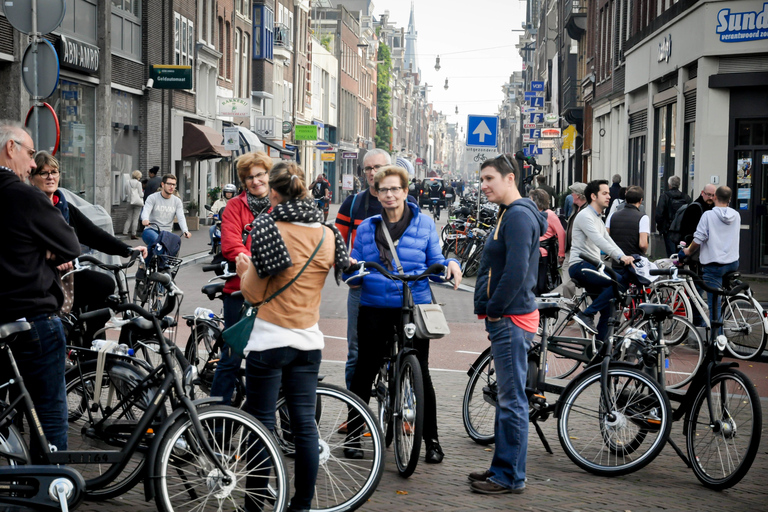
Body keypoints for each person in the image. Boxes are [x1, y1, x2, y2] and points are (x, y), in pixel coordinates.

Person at [235, 161, 350, 512]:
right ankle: (300, 505)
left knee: (262, 422)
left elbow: (253, 294)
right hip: (308, 342)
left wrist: (244, 270)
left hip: (270, 340)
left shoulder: (269, 227)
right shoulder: (328, 234)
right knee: (304, 426)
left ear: (273, 191)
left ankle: (256, 502)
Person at [344, 164, 462, 464]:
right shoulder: (368, 227)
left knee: (420, 370)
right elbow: (356, 263)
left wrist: (449, 265)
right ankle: (355, 433)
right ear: (377, 192)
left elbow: (434, 261)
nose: (389, 194)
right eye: (383, 189)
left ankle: (431, 440)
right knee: (365, 368)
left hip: (414, 304)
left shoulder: (424, 224)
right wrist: (350, 269)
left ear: (406, 191)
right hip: (374, 303)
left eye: (395, 188)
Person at [0, 121, 81, 457]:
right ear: (10, 148)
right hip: (34, 319)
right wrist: (43, 247)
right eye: (30, 154)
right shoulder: (25, 195)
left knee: (11, 410)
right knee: (48, 412)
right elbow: (71, 244)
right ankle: (50, 492)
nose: (33, 164)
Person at [469, 154, 546, 494]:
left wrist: (496, 309)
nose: (483, 185)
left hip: (511, 318)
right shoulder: (510, 213)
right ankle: (501, 467)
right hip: (510, 316)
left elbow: (515, 271)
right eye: (482, 179)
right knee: (506, 397)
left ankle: (510, 477)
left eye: (489, 179)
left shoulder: (516, 217)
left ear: (510, 178)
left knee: (512, 399)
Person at [29, 151, 148, 342]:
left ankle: (90, 342)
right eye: (44, 173)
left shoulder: (64, 207)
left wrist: (127, 250)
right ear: (32, 178)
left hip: (68, 274)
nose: (50, 177)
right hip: (42, 278)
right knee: (99, 286)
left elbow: (95, 235)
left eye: (54, 172)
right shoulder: (30, 206)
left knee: (105, 285)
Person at [335, 148, 417, 390]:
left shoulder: (408, 203)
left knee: (404, 350)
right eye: (368, 168)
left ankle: (402, 406)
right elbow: (338, 243)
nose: (373, 172)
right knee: (356, 351)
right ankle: (356, 414)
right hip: (363, 286)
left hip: (398, 286)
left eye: (377, 167)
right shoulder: (353, 204)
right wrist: (347, 270)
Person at [210, 152, 273, 406]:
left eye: (260, 175)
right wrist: (260, 265)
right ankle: (215, 421)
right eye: (250, 177)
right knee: (232, 356)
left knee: (272, 357)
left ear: (269, 175)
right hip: (239, 291)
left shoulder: (278, 204)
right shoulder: (235, 206)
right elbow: (230, 245)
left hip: (273, 293)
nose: (256, 181)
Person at [569, 180, 635, 341]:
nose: (609, 196)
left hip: (591, 265)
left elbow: (609, 241)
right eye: (604, 193)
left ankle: (599, 353)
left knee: (609, 309)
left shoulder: (597, 218)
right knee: (619, 282)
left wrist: (624, 256)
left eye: (609, 193)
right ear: (593, 196)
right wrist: (620, 257)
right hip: (581, 265)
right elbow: (599, 240)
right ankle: (587, 314)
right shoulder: (585, 216)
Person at [682, 186, 739, 330]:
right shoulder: (736, 215)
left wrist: (688, 251)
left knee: (714, 304)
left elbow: (699, 238)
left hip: (715, 264)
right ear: (730, 199)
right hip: (732, 262)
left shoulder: (708, 216)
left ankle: (718, 341)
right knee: (722, 296)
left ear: (714, 197)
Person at [606, 186, 650, 282]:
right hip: (635, 263)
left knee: (618, 290)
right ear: (640, 200)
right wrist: (645, 250)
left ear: (626, 199)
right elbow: (643, 244)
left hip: (617, 262)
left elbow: (606, 238)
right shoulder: (643, 218)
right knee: (637, 293)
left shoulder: (612, 216)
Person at [554, 182, 587, 300]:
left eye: (573, 192)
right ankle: (571, 311)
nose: (571, 195)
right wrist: (562, 252)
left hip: (581, 253)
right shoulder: (574, 209)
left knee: (587, 286)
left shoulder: (587, 211)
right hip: (570, 251)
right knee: (567, 284)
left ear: (579, 195)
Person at [529, 188, 565, 295]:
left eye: (531, 199)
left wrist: (561, 254)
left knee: (542, 284)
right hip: (533, 252)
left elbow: (561, 233)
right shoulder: (533, 213)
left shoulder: (550, 215)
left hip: (544, 254)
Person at [141, 173, 191, 242]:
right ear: (162, 184)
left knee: (175, 243)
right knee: (158, 241)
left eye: (173, 184)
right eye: (169, 184)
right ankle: (149, 252)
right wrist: (145, 219)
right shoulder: (152, 198)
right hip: (151, 230)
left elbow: (181, 217)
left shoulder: (177, 201)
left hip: (167, 232)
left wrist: (185, 230)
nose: (171, 187)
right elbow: (146, 210)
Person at [655, 175, 691, 257]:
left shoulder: (664, 196)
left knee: (671, 254)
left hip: (668, 230)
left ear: (669, 185)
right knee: (681, 253)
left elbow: (659, 213)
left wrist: (661, 227)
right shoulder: (686, 197)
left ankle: (672, 268)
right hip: (682, 230)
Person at [208, 183, 236, 250]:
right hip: (220, 223)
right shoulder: (218, 202)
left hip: (233, 224)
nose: (229, 194)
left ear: (233, 193)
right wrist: (211, 214)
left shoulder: (236, 202)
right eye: (227, 192)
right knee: (211, 229)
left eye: (230, 192)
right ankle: (213, 246)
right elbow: (213, 209)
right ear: (224, 193)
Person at [122, 170, 144, 239]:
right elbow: (141, 194)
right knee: (135, 218)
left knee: (129, 218)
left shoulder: (127, 182)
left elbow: (126, 192)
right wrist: (143, 194)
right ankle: (133, 234)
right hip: (137, 202)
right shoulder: (139, 183)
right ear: (138, 176)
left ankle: (125, 232)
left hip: (129, 201)